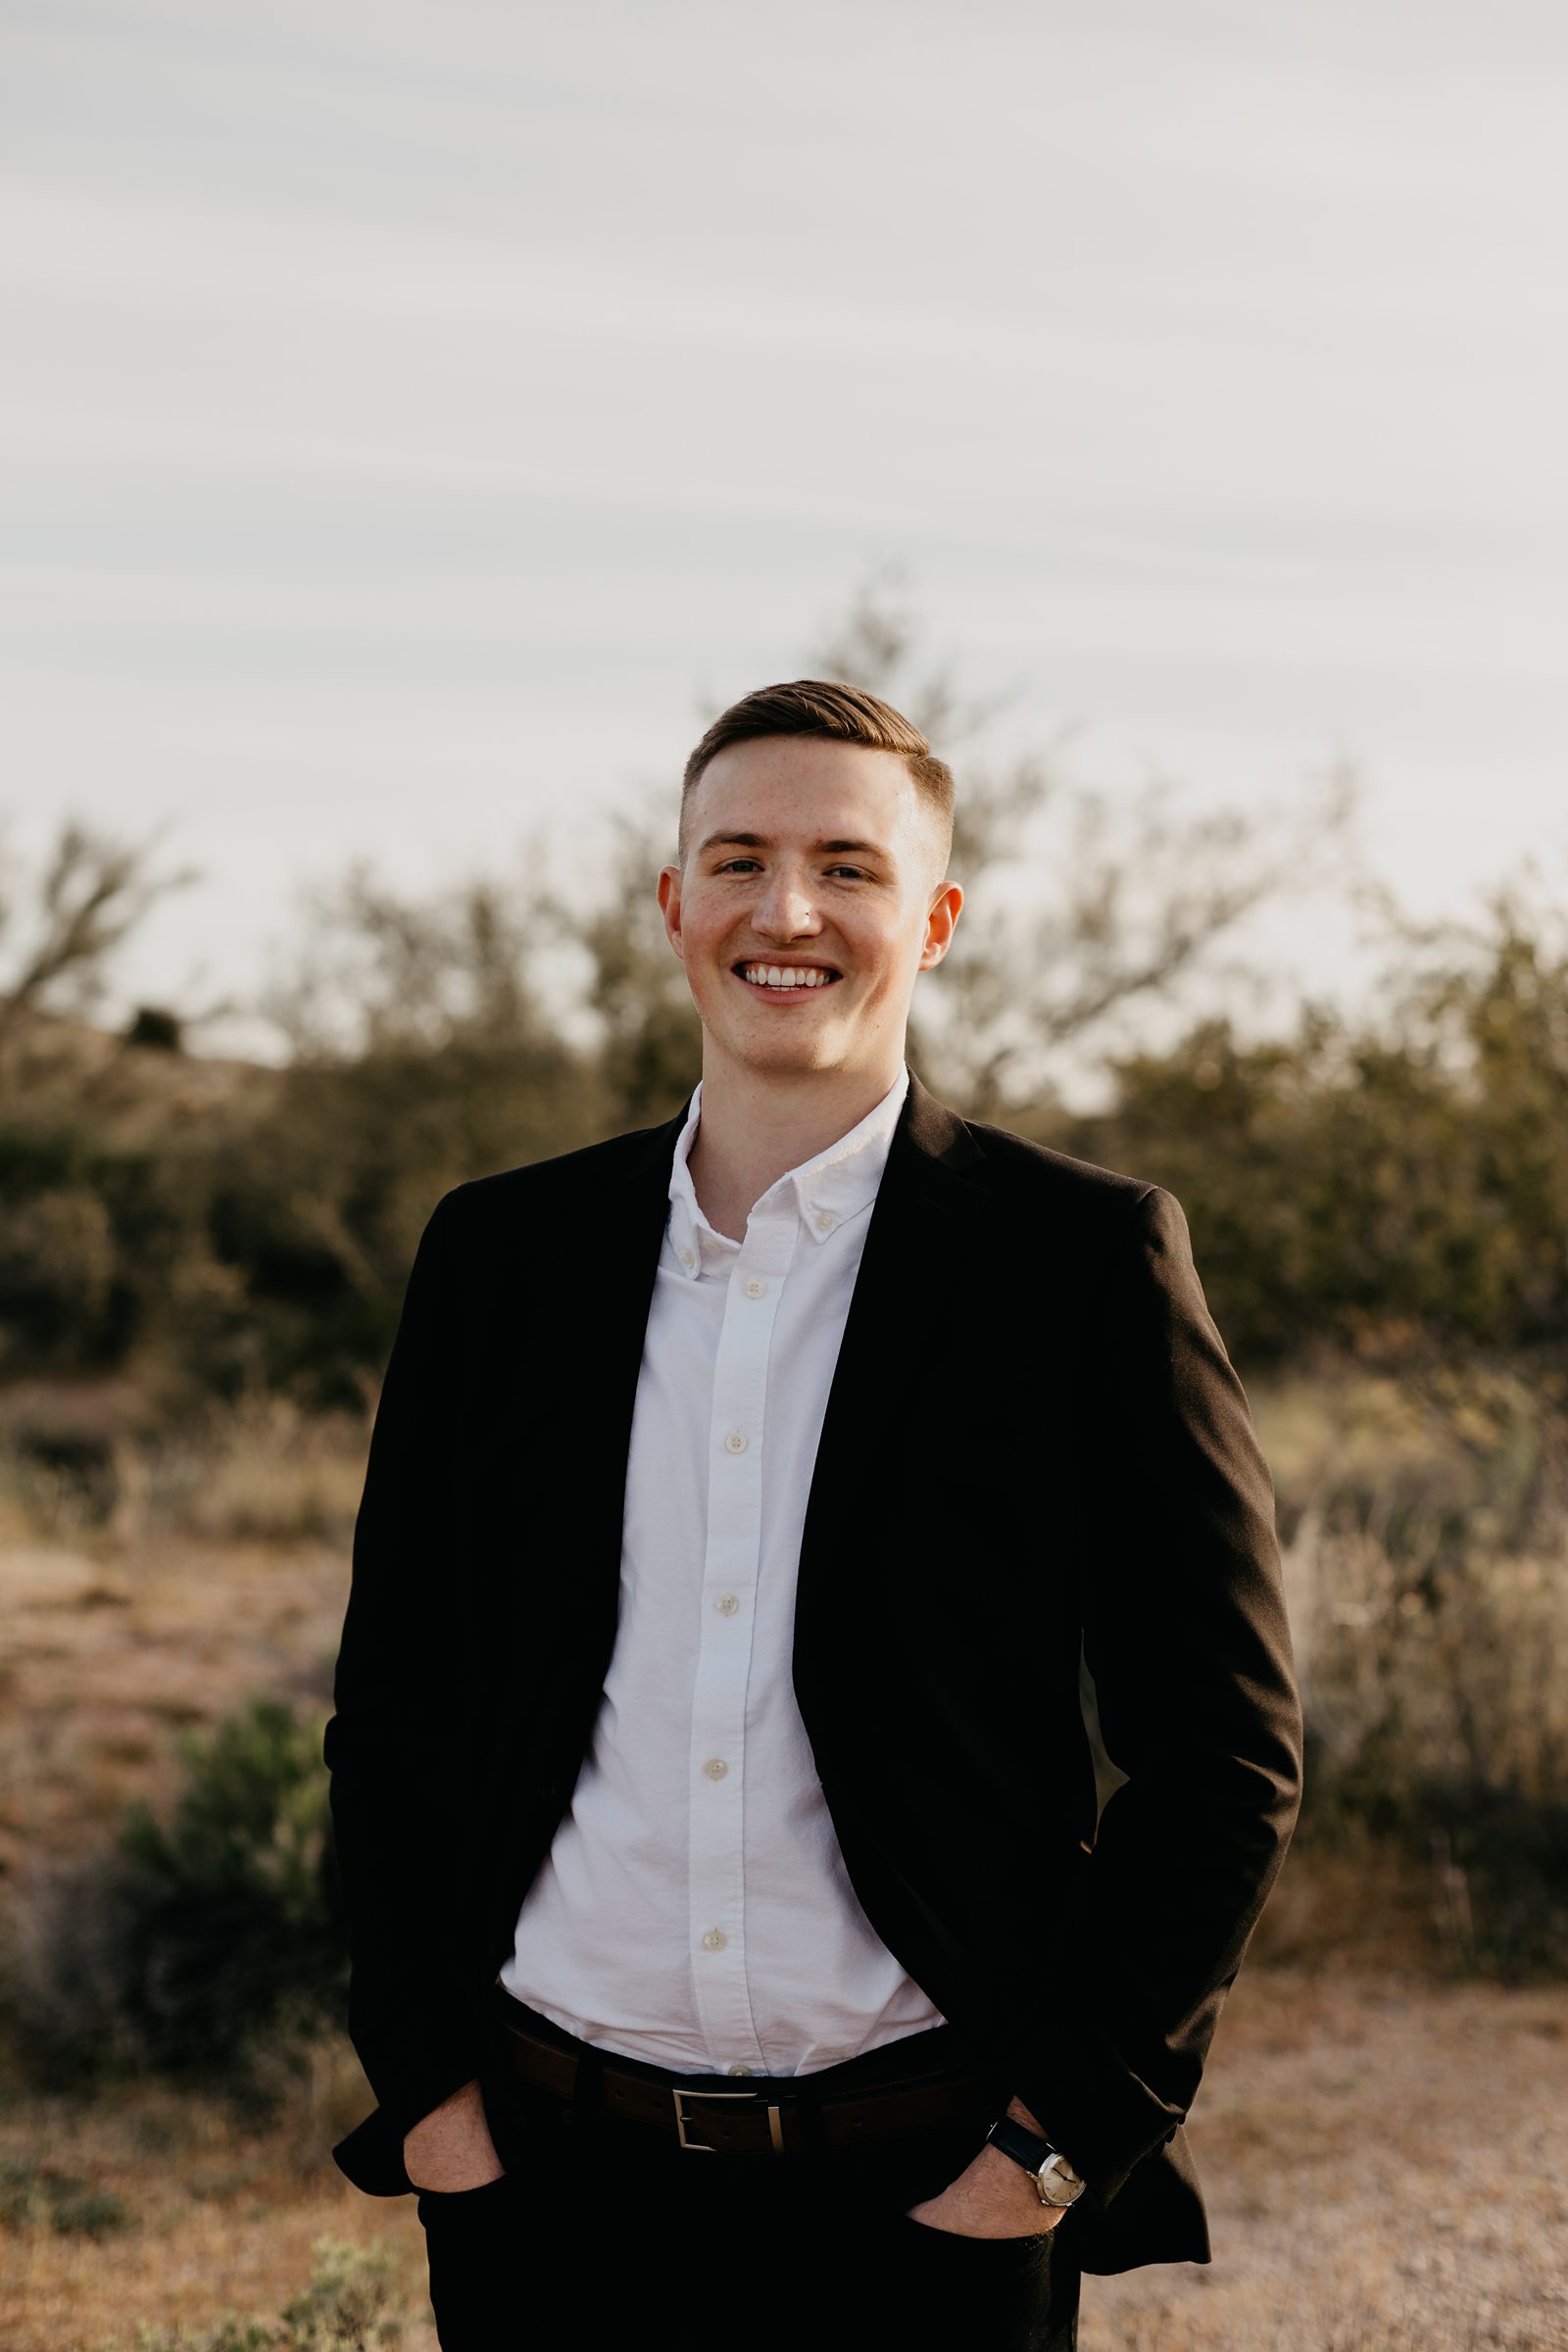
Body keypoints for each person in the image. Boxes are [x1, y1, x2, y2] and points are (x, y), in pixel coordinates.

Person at [323, 680, 1303, 2351]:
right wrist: (434, 2110)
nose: (788, 913)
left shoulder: (1084, 1265)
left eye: (848, 868)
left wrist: (1041, 2157)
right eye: (741, 861)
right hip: (544, 2194)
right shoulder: (501, 1259)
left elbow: (1223, 1755)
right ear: (673, 906)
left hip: (928, 2198)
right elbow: (398, 1709)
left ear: (935, 919)